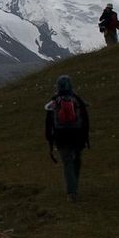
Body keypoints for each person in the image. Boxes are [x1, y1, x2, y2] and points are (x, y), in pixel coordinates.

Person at [45, 74, 91, 202]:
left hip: (61, 137)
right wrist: (85, 137)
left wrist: (50, 139)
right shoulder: (77, 100)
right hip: (77, 136)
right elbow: (85, 120)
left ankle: (72, 192)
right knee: (76, 160)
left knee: (67, 162)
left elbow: (49, 122)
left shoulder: (54, 101)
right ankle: (74, 186)